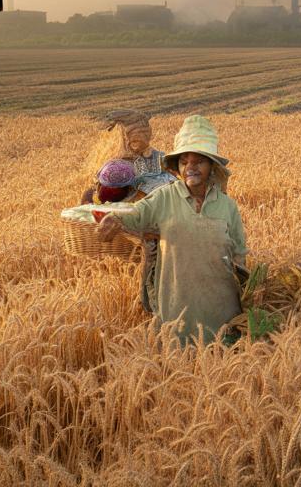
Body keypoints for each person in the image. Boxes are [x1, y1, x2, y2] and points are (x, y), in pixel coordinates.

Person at [99, 115, 247, 346]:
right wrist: (114, 218)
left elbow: (239, 254)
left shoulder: (227, 207)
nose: (190, 167)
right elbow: (137, 214)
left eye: (199, 161)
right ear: (177, 166)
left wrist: (249, 299)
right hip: (177, 315)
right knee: (179, 362)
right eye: (184, 161)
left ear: (211, 166)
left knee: (223, 363)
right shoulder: (164, 198)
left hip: (223, 313)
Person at [81, 109, 176, 204]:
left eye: (144, 134)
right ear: (125, 137)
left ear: (149, 134)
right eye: (134, 137)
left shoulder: (158, 157)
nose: (140, 139)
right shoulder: (115, 165)